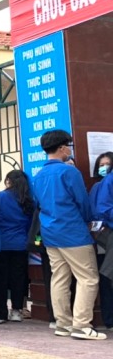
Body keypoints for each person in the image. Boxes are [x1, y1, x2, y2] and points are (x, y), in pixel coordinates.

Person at [33, 130, 106, 340]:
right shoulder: (69, 172)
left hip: (50, 233)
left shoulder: (38, 175)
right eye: (69, 146)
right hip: (73, 232)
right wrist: (89, 221)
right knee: (88, 278)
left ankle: (62, 324)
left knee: (59, 278)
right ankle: (81, 325)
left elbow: (38, 204)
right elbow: (82, 201)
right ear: (63, 147)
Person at [0, 170, 33, 323]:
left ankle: (0, 312)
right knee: (18, 278)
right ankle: (17, 310)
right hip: (21, 244)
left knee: (0, 278)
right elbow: (31, 224)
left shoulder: (0, 197)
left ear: (8, 181)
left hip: (1, 243)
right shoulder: (28, 200)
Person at [90, 151, 113, 330]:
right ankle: (109, 319)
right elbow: (98, 210)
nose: (104, 167)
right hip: (103, 235)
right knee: (106, 278)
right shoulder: (99, 186)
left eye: (107, 164)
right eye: (101, 165)